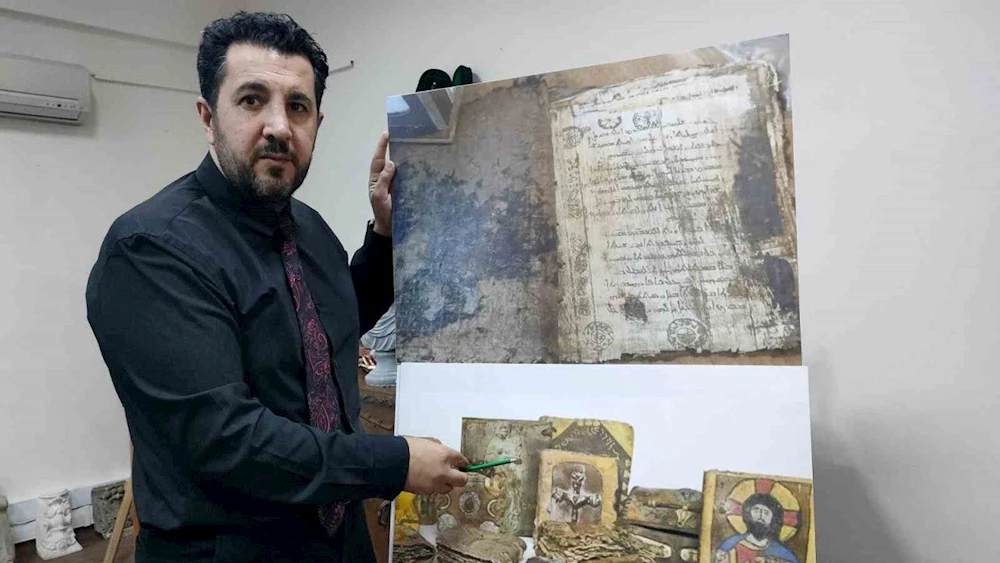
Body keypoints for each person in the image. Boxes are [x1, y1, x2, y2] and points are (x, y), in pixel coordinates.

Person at [85, 11, 469, 563]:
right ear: (208, 117)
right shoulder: (151, 250)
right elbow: (228, 439)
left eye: (297, 106)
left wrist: (386, 236)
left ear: (317, 123)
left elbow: (332, 326)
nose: (279, 126)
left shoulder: (309, 228)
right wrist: (395, 462)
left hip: (338, 543)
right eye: (251, 100)